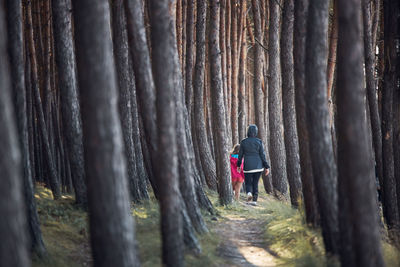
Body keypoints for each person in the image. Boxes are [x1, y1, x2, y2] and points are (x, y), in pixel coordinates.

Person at [237, 124, 270, 204]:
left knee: (248, 182)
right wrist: (267, 167)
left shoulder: (243, 142)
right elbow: (262, 155)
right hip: (258, 166)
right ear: (256, 132)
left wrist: (238, 165)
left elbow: (240, 155)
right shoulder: (259, 142)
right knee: (255, 183)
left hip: (248, 166)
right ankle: (254, 201)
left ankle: (249, 193)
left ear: (248, 132)